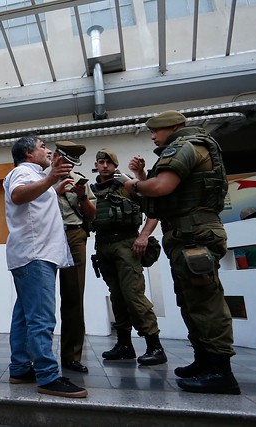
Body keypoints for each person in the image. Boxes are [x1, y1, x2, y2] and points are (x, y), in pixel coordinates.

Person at [123, 110, 240, 394]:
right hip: (186, 233)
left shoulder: (186, 146)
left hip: (194, 233)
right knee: (191, 300)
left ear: (174, 127)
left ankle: (220, 371)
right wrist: (141, 176)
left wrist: (133, 184)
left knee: (204, 301)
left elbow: (161, 186)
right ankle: (204, 361)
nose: (153, 135)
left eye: (157, 130)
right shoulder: (191, 147)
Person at [4, 136, 87, 398]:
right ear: (29, 153)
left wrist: (55, 187)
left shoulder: (36, 176)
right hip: (35, 255)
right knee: (42, 318)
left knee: (24, 316)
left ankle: (19, 368)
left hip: (33, 254)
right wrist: (51, 179)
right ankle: (48, 376)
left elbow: (34, 202)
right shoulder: (21, 172)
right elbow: (18, 196)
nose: (48, 150)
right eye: (42, 147)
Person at [90, 148, 167, 366]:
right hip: (103, 245)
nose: (104, 166)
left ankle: (155, 346)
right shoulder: (91, 189)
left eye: (109, 162)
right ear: (96, 165)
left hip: (127, 244)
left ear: (115, 166)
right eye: (101, 162)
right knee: (117, 296)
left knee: (133, 294)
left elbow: (154, 210)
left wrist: (143, 236)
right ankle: (124, 345)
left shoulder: (127, 185)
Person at [51, 141, 96, 374]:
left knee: (73, 296)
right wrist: (54, 190)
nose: (67, 167)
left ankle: (71, 355)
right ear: (55, 158)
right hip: (47, 237)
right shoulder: (39, 179)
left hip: (73, 235)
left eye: (71, 163)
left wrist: (82, 197)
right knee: (41, 299)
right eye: (63, 161)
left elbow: (92, 214)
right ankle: (38, 356)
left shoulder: (80, 180)